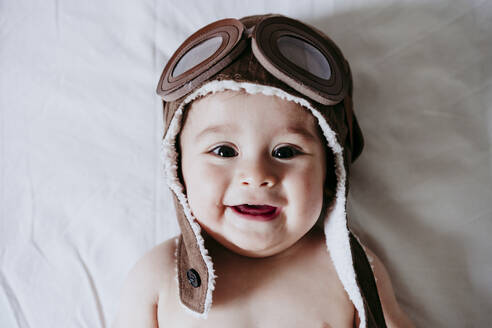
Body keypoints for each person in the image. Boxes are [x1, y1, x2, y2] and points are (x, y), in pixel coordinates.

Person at [112, 13, 415, 328]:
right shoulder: (159, 274)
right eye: (224, 151)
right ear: (178, 166)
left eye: (285, 152)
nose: (256, 175)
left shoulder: (348, 271)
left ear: (330, 170)